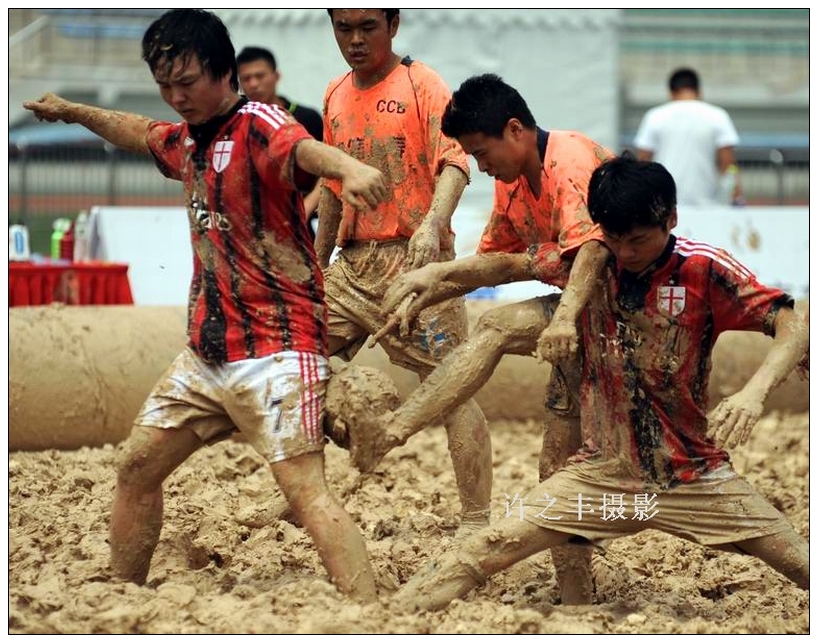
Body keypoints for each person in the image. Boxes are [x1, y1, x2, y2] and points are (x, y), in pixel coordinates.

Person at [23, 8, 389, 603]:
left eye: (187, 83)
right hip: (206, 354)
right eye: (165, 85)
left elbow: (303, 149)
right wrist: (72, 111)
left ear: (223, 72)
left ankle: (370, 614)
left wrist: (348, 168)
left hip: (278, 350)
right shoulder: (184, 140)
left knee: (307, 495)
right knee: (136, 468)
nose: (176, 97)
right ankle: (121, 596)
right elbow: (136, 130)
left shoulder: (259, 123)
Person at [392, 155, 810, 612]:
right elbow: (507, 266)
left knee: (800, 563)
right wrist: (436, 274)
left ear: (671, 219)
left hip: (692, 477)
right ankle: (385, 619)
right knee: (484, 549)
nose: (626, 253)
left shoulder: (703, 269)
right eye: (614, 238)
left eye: (638, 240)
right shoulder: (589, 260)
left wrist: (754, 393)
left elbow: (792, 321)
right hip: (597, 478)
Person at [356, 73, 614, 604]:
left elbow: (592, 251)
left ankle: (398, 428)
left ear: (515, 130)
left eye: (480, 152)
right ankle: (578, 604)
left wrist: (564, 318)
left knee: (496, 326)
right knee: (555, 472)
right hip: (583, 322)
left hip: (623, 314)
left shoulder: (568, 161)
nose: (479, 166)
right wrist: (432, 283)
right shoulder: (513, 180)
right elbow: (496, 263)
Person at [316, 9, 493, 535]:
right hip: (352, 266)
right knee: (293, 357)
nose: (355, 40)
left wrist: (433, 225)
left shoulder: (422, 84)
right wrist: (316, 261)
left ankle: (476, 520)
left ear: (392, 26)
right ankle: (315, 483)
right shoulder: (334, 94)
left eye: (367, 27)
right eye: (343, 28)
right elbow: (331, 186)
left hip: (417, 264)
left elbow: (455, 162)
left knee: (452, 387)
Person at [237, 45, 324, 226]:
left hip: (298, 222)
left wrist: (305, 209)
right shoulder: (235, 123)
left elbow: (327, 172)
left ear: (276, 76)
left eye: (260, 76)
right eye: (246, 78)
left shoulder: (307, 118)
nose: (253, 84)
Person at [633, 67, 744, 206]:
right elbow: (728, 165)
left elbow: (642, 163)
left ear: (671, 92)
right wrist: (736, 195)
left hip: (665, 203)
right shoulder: (718, 116)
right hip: (705, 203)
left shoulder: (654, 117)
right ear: (699, 91)